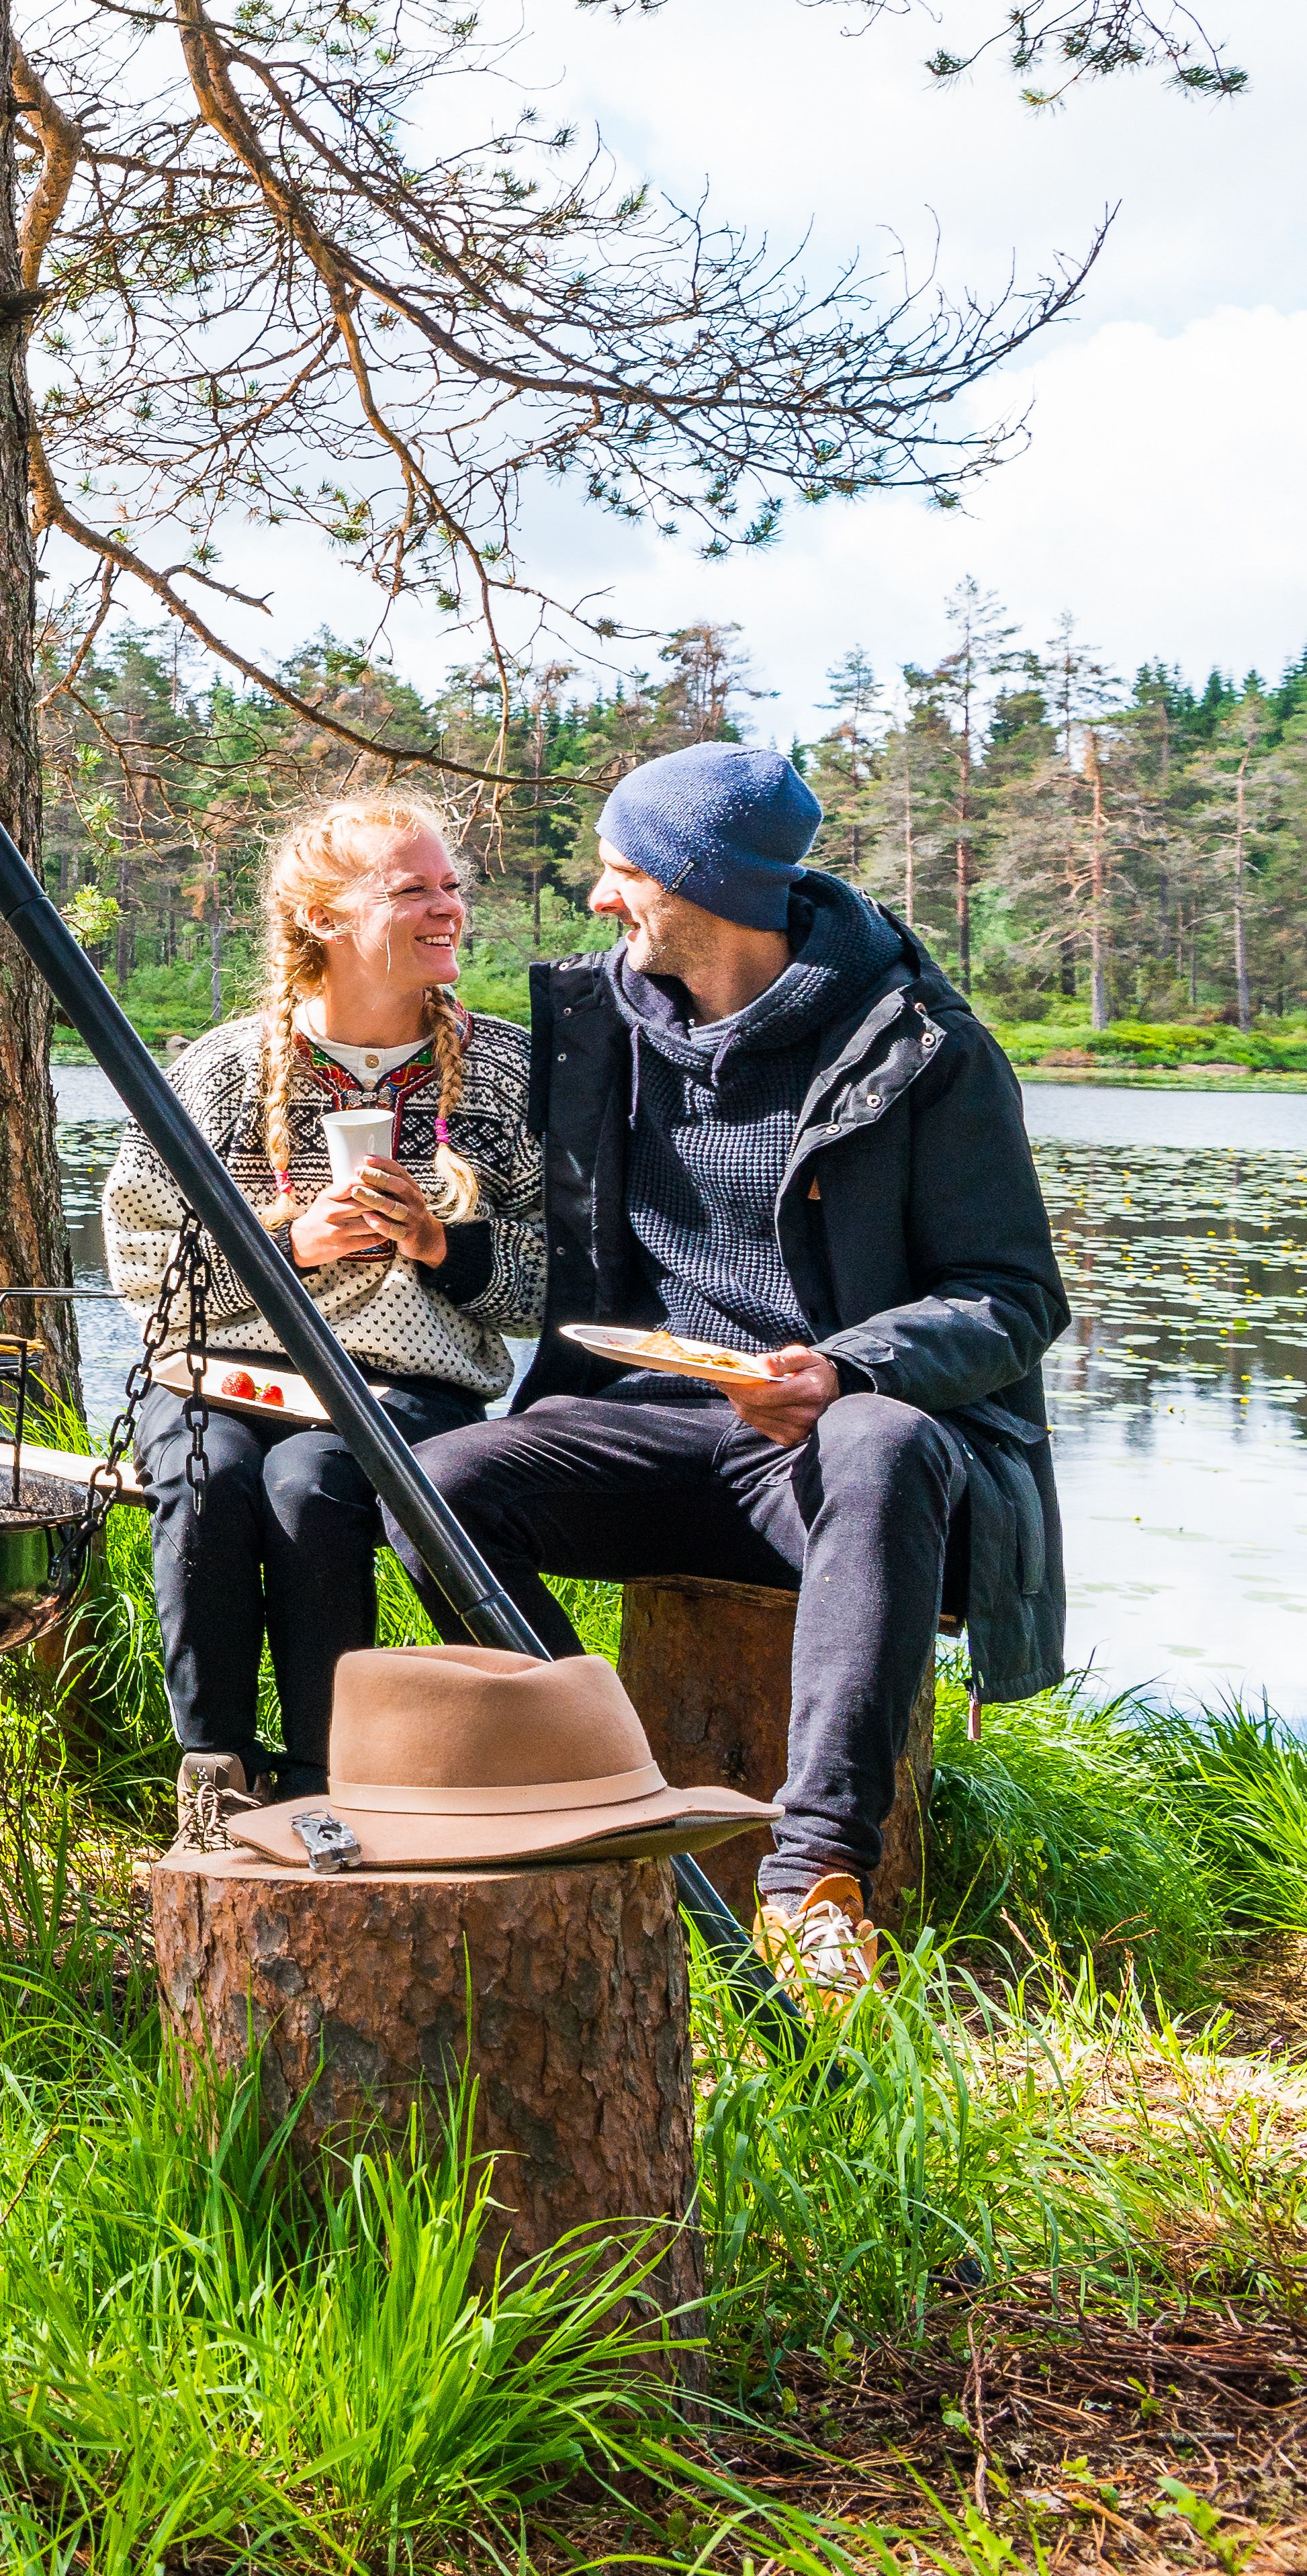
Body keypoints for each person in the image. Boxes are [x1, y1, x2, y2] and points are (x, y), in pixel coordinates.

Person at [414, 738, 1069, 1992]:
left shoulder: (924, 1047)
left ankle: (811, 1883)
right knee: (431, 1479)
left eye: (621, 874)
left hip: (840, 1465)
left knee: (878, 1439)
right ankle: (610, 1796)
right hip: (657, 1425)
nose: (601, 901)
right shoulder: (601, 1026)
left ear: (702, 885)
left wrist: (844, 1371)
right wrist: (444, 1244)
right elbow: (577, 1263)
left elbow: (1016, 1299)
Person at [103, 789, 543, 1834]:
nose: (448, 909)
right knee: (207, 1478)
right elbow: (135, 1256)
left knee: (312, 1486)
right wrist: (285, 1249)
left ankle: (324, 1781)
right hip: (225, 1368)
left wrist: (444, 1245)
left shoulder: (512, 1074)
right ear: (323, 920)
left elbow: (560, 1282)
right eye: (413, 890)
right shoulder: (219, 1070)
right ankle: (212, 1779)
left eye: (452, 886)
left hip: (406, 1383)